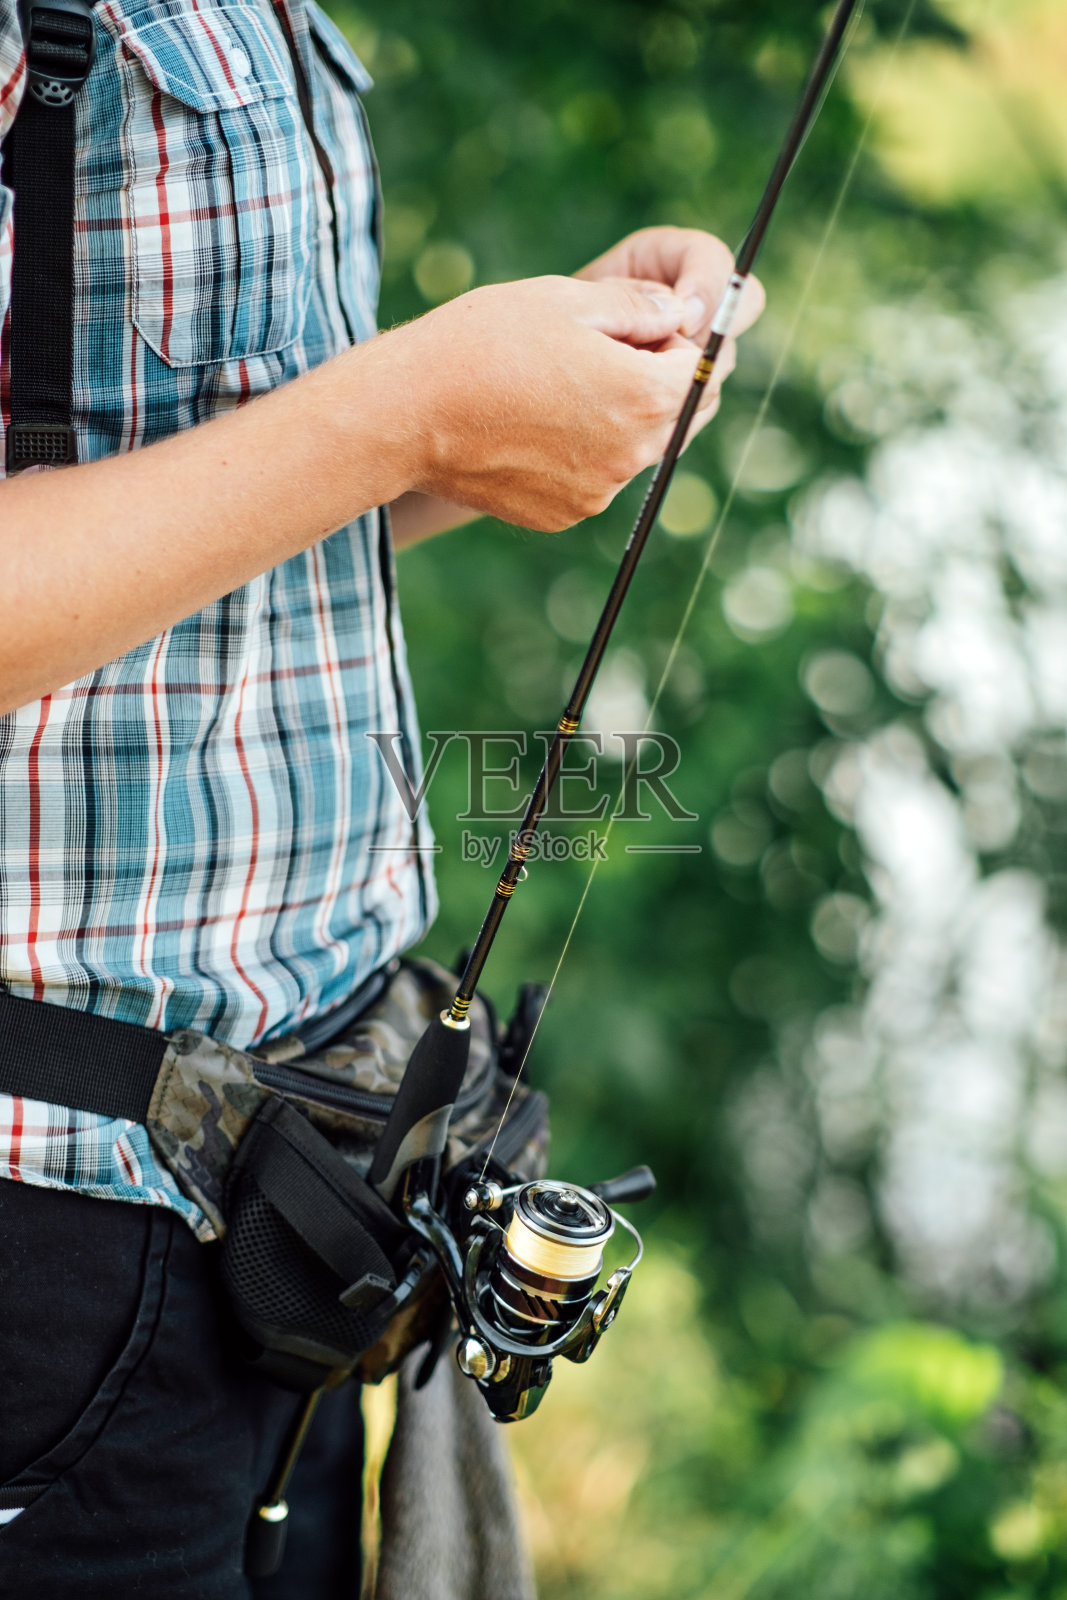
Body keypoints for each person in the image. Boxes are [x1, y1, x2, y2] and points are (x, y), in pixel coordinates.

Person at [0, 0, 764, 1593]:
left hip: (287, 1202)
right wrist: (411, 402)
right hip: (48, 1236)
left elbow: (204, 504)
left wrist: (524, 409)